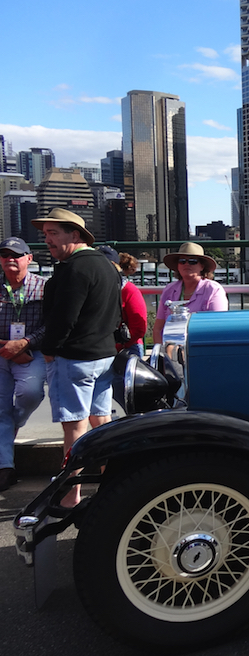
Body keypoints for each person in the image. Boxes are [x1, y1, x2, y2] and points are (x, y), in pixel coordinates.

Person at [34, 208, 122, 504]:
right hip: (104, 356)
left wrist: (49, 351)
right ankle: (114, 483)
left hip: (74, 359)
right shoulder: (107, 267)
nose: (47, 239)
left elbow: (63, 319)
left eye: (53, 233)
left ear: (75, 235)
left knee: (75, 427)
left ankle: (71, 494)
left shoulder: (73, 269)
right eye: (45, 234)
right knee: (102, 422)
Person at [0, 237, 47, 491]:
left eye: (16, 255)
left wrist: (24, 344)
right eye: (5, 255)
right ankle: (5, 469)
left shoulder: (44, 287)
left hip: (31, 352)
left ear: (29, 258)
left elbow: (50, 325)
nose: (10, 259)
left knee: (31, 394)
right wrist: (6, 347)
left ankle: (14, 423)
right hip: (0, 353)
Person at [152, 242, 229, 345]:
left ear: (202, 266)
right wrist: (162, 354)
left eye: (192, 261)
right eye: (182, 261)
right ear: (178, 266)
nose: (186, 264)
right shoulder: (169, 290)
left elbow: (218, 328)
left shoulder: (213, 290)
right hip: (170, 351)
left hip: (201, 349)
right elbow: (157, 329)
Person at [97, 246, 148, 358]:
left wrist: (116, 346)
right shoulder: (91, 290)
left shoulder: (129, 291)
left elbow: (139, 329)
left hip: (126, 348)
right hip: (98, 349)